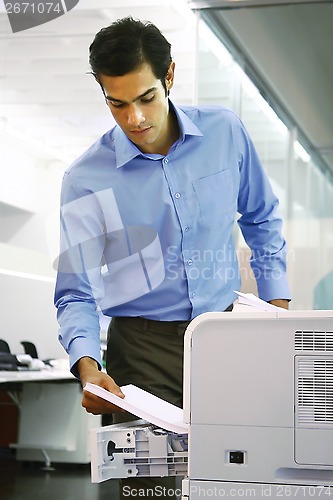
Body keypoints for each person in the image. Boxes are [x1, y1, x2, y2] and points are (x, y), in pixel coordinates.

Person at [54, 15, 290, 498]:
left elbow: (262, 219)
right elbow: (77, 288)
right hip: (140, 352)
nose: (134, 119)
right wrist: (87, 363)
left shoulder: (225, 134)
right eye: (117, 104)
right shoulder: (86, 179)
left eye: (145, 98)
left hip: (226, 338)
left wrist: (278, 312)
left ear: (170, 77)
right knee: (146, 489)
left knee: (235, 480)